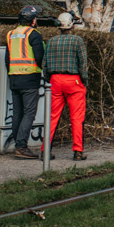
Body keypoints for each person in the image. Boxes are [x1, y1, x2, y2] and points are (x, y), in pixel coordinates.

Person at [41, 12, 89, 161]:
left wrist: (50, 79)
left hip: (55, 81)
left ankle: (45, 151)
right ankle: (78, 151)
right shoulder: (77, 41)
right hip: (73, 81)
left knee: (52, 117)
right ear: (71, 25)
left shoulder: (51, 41)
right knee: (76, 118)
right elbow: (83, 63)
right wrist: (84, 81)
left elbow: (45, 65)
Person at [5, 5, 45, 159]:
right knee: (29, 113)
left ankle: (18, 144)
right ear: (32, 20)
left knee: (17, 113)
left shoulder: (11, 34)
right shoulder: (33, 34)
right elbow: (40, 57)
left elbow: (7, 59)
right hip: (29, 78)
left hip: (14, 78)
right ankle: (21, 147)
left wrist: (12, 73)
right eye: (36, 18)